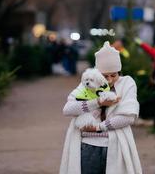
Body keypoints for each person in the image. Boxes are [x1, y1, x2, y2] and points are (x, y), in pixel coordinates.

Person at [59, 41, 142, 174]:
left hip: (117, 146)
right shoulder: (88, 83)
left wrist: (98, 127)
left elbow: (128, 117)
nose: (109, 80)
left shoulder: (127, 83)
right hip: (88, 146)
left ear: (119, 72)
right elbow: (67, 109)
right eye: (105, 76)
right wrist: (97, 102)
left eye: (114, 75)